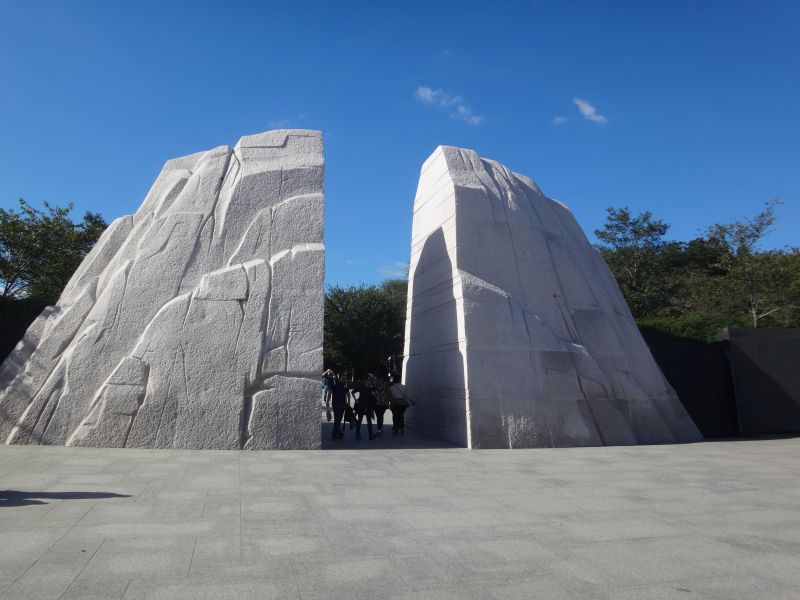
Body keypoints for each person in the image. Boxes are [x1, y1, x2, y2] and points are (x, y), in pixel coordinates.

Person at [352, 376, 378, 440]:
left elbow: (375, 393)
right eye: (366, 380)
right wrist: (356, 400)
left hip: (368, 406)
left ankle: (370, 434)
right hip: (361, 406)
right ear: (364, 381)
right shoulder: (361, 387)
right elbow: (352, 392)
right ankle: (357, 433)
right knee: (360, 420)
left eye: (369, 380)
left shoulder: (371, 388)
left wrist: (373, 394)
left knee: (369, 421)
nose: (368, 381)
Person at [330, 371, 353, 441]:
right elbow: (330, 392)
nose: (345, 376)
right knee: (337, 419)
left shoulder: (345, 383)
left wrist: (348, 403)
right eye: (344, 375)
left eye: (346, 375)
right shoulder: (335, 382)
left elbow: (348, 393)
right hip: (336, 404)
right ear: (340, 375)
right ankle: (339, 433)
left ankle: (334, 434)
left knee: (339, 420)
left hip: (343, 404)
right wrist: (328, 402)